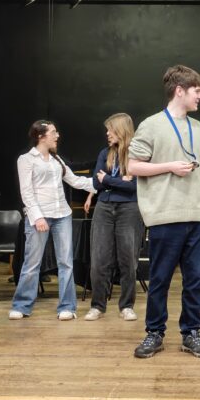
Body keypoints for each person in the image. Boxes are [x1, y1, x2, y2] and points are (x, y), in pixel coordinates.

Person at [127, 65, 200, 359]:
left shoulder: (197, 127)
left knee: (195, 280)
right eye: (197, 91)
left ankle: (191, 333)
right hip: (166, 216)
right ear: (179, 91)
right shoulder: (151, 125)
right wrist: (169, 166)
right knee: (160, 279)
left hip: (197, 215)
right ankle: (154, 333)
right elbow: (132, 166)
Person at [9, 120, 95, 321]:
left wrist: (100, 183)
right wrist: (38, 217)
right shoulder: (26, 160)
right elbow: (26, 192)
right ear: (41, 136)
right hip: (40, 216)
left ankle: (67, 306)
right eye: (53, 132)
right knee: (32, 262)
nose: (57, 136)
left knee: (66, 262)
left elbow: (75, 180)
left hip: (62, 215)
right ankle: (21, 305)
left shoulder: (57, 160)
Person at [87, 113, 144, 322]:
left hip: (129, 209)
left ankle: (126, 306)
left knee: (128, 260)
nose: (107, 133)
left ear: (121, 130)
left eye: (110, 129)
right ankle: (97, 306)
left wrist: (109, 180)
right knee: (99, 260)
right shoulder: (105, 153)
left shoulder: (137, 154)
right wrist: (121, 180)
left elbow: (135, 186)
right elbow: (96, 183)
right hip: (103, 208)